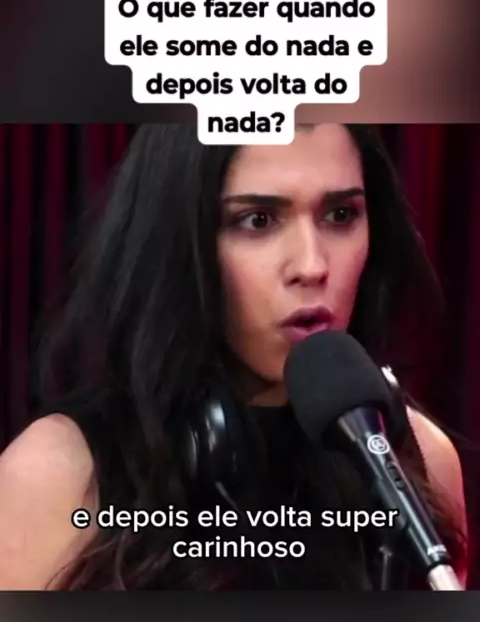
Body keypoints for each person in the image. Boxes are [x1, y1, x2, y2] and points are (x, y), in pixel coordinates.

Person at [0, 123, 468, 589]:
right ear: (179, 242)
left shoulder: (421, 459)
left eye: (341, 214)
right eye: (258, 220)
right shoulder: (57, 475)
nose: (312, 265)